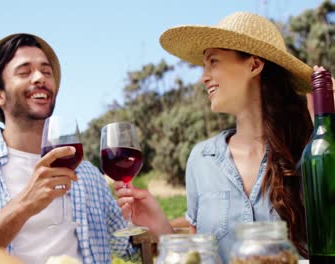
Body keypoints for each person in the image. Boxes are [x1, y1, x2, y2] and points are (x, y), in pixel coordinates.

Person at [114, 12, 333, 263]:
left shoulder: (313, 151)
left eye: (213, 62)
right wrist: (161, 226)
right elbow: (201, 255)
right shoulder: (201, 159)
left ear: (254, 65)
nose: (203, 76)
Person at [0, 33, 135, 264]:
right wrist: (24, 205)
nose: (40, 77)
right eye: (24, 72)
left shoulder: (86, 173)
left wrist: (151, 220)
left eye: (46, 71)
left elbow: (130, 249)